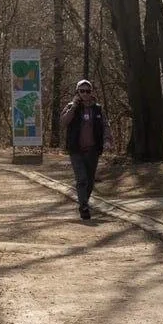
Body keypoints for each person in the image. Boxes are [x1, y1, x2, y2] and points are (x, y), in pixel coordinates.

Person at [59, 79, 112, 221]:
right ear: (77, 92)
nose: (85, 94)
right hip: (76, 150)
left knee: (89, 180)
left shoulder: (97, 109)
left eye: (87, 91)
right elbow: (63, 122)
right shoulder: (71, 107)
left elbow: (105, 126)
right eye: (81, 91)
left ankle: (85, 202)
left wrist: (107, 140)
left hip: (93, 150)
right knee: (81, 179)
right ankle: (83, 206)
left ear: (91, 92)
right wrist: (74, 107)